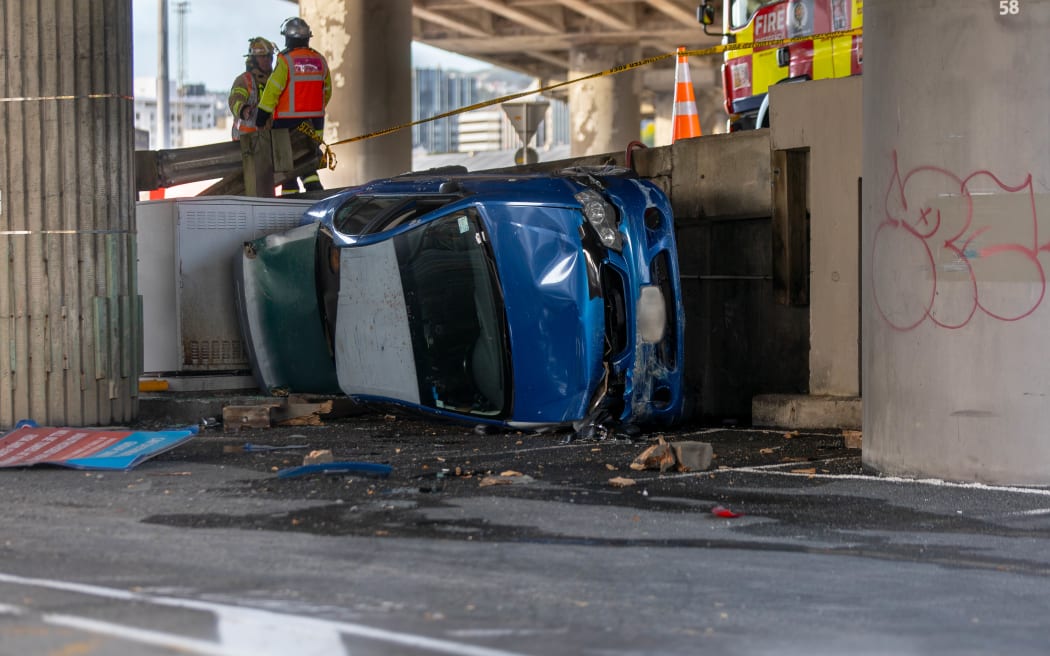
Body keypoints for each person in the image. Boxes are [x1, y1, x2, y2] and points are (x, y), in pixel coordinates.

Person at [254, 17, 332, 194]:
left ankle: (290, 203)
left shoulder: (286, 60)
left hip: (286, 126)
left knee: (287, 170)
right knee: (308, 166)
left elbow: (272, 91)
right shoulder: (320, 60)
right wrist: (314, 109)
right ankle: (317, 195)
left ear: (288, 38)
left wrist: (261, 117)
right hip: (314, 125)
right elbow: (327, 91)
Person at [227, 37, 276, 141]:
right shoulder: (244, 80)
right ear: (254, 58)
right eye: (262, 57)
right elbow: (234, 99)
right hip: (245, 143)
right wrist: (243, 109)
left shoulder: (275, 81)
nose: (267, 60)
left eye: (269, 56)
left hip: (268, 141)